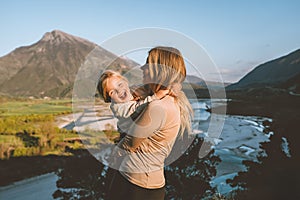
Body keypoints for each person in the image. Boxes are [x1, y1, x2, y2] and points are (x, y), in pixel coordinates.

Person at [108, 46, 193, 200]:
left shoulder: (157, 107)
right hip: (147, 183)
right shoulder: (167, 100)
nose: (142, 67)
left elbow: (130, 143)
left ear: (160, 70)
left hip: (135, 185)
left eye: (148, 64)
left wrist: (113, 155)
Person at [97, 70, 170, 142]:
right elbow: (136, 108)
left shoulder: (132, 91)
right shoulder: (117, 108)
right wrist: (155, 97)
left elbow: (143, 87)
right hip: (129, 138)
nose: (119, 91)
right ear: (109, 98)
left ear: (125, 82)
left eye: (120, 85)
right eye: (112, 92)